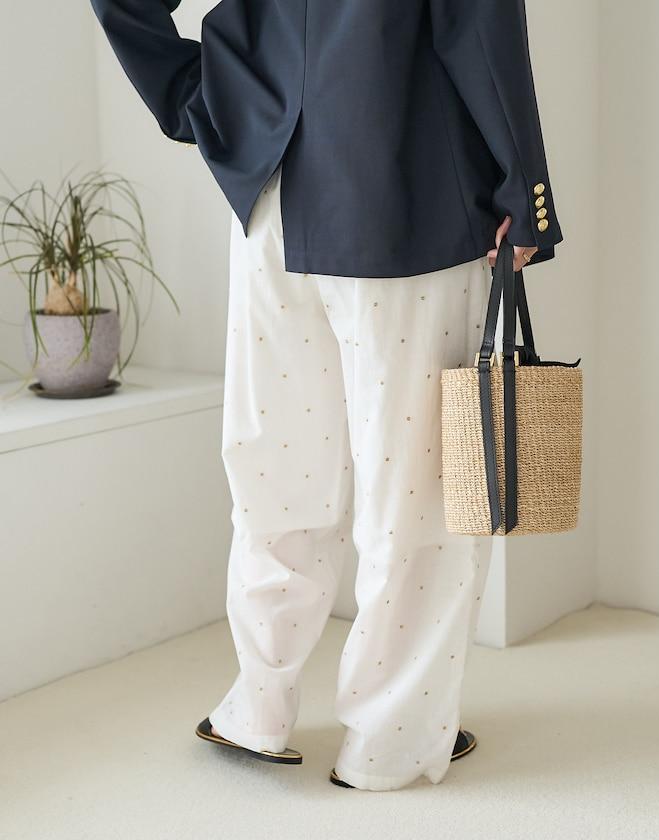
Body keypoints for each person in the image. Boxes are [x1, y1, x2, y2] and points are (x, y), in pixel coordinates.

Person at [91, 0, 562, 792]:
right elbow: (476, 22)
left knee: (279, 465)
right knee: (415, 492)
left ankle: (257, 708)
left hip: (269, 190)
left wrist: (203, 98)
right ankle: (390, 740)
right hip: (402, 189)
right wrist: (525, 190)